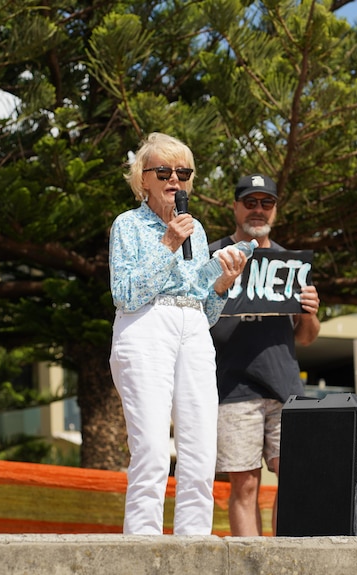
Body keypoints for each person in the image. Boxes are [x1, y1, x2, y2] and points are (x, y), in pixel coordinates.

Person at [108, 132, 248, 535]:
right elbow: (127, 294)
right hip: (146, 325)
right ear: (143, 179)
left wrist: (222, 283)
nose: (175, 180)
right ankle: (143, 547)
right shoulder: (128, 225)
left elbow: (205, 309)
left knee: (201, 450)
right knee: (151, 449)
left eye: (183, 172)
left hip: (192, 331)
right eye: (164, 171)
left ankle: (194, 548)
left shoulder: (197, 230)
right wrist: (169, 242)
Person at [208, 174, 321, 536]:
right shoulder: (214, 255)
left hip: (286, 390)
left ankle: (289, 562)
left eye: (266, 203)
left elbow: (305, 338)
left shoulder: (290, 263)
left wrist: (310, 312)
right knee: (244, 486)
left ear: (275, 209)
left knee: (294, 482)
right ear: (235, 206)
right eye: (250, 202)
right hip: (232, 389)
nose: (258, 210)